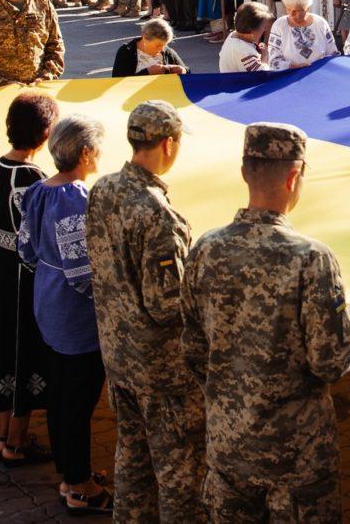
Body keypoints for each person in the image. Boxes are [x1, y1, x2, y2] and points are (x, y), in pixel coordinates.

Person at [181, 123, 350, 519]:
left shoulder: (206, 249)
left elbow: (194, 347)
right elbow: (332, 361)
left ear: (244, 172)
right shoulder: (310, 258)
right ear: (293, 177)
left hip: (228, 446)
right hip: (296, 460)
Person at [84, 101, 203, 521]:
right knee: (178, 473)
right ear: (168, 144)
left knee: (131, 456)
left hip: (118, 355)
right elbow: (167, 305)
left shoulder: (103, 189)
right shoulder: (156, 214)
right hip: (161, 369)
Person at [19, 115, 113, 514]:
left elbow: (25, 248)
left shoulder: (39, 189)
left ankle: (73, 472)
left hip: (47, 298)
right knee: (76, 402)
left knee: (61, 398)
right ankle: (79, 484)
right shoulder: (76, 198)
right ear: (86, 152)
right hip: (74, 316)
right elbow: (83, 273)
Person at [0, 91, 60, 468]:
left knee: (2, 348)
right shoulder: (36, 180)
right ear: (44, 132)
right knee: (24, 352)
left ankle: (5, 434)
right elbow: (44, 239)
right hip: (27, 280)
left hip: (0, 274)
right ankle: (17, 442)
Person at [267, 0, 339, 70]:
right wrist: (292, 67)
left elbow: (333, 54)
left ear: (307, 8)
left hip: (320, 74)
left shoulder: (320, 23)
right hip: (291, 77)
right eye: (288, 9)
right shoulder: (280, 25)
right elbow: (273, 61)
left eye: (296, 11)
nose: (291, 14)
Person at [112, 17, 189, 77]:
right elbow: (117, 82)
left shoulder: (167, 52)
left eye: (165, 44)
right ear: (145, 38)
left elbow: (188, 73)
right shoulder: (127, 51)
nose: (162, 49)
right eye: (158, 45)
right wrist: (147, 72)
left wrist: (183, 70)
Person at [219, 2, 272, 73]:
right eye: (263, 27)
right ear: (252, 31)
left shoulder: (233, 35)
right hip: (240, 83)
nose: (265, 30)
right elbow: (263, 74)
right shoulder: (245, 51)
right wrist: (264, 56)